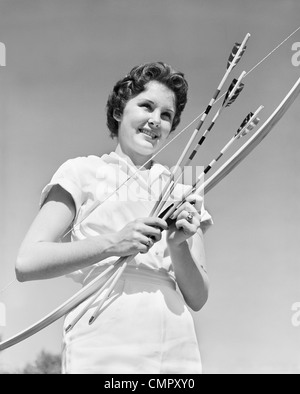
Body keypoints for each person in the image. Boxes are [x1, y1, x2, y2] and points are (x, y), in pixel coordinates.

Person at [16, 62, 213, 374]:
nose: (155, 121)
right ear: (120, 111)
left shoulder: (183, 188)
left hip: (174, 340)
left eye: (166, 115)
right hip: (103, 332)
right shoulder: (81, 171)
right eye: (146, 106)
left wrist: (178, 247)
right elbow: (27, 262)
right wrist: (113, 242)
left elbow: (198, 297)